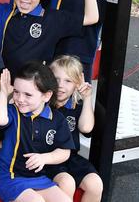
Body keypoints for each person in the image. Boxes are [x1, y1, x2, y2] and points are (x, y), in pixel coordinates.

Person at [0, 63, 75, 202]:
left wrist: (45, 158)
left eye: (28, 94)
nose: (20, 99)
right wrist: (4, 93)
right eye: (16, 92)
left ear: (46, 96)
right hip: (9, 176)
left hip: (37, 177)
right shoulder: (13, 111)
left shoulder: (57, 119)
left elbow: (65, 151)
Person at [45, 56, 103, 202]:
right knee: (66, 183)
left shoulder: (76, 106)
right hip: (48, 159)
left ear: (77, 84)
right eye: (56, 79)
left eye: (68, 81)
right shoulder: (41, 104)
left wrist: (88, 98)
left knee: (95, 184)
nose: (60, 85)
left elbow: (86, 127)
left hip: (71, 157)